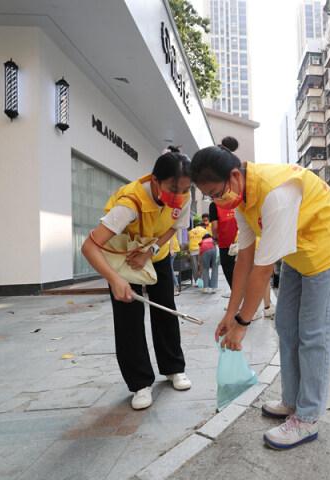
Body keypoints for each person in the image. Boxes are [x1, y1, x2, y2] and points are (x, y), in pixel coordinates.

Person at [191, 144, 330, 450]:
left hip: (326, 249)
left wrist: (242, 324)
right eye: (209, 196)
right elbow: (244, 259)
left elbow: (262, 272)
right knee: (286, 327)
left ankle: (307, 417)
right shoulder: (240, 198)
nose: (216, 201)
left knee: (315, 335)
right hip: (296, 251)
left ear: (234, 176)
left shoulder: (276, 195)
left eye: (215, 193)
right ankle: (292, 401)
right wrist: (230, 312)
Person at [81, 149, 192, 411]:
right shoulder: (129, 204)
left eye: (185, 189)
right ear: (155, 180)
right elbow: (89, 246)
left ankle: (174, 368)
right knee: (128, 315)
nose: (178, 196)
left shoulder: (183, 197)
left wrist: (150, 251)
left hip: (156, 252)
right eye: (172, 188)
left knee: (165, 309)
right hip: (122, 257)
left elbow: (174, 228)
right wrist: (114, 279)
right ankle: (140, 383)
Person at [208, 136, 240, 291]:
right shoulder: (237, 199)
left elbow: (214, 226)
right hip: (241, 240)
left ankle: (237, 299)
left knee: (230, 272)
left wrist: (215, 237)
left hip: (226, 243)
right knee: (244, 271)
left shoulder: (215, 204)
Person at [188, 220, 208, 286]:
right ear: (203, 226)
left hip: (192, 250)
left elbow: (188, 241)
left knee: (195, 267)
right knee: (202, 265)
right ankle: (201, 280)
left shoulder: (190, 231)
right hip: (200, 249)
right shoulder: (204, 231)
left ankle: (197, 282)